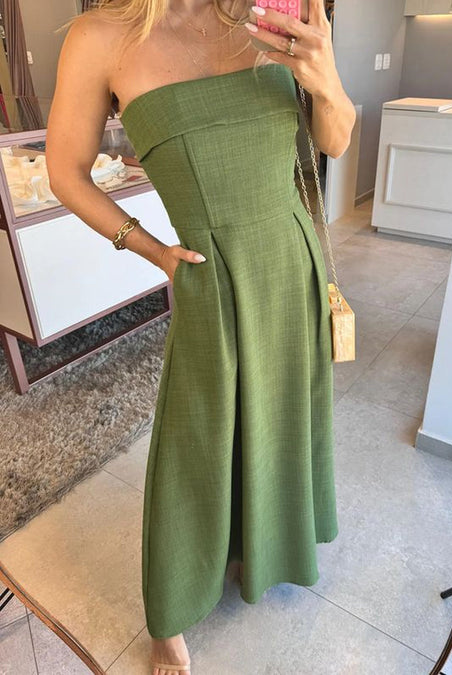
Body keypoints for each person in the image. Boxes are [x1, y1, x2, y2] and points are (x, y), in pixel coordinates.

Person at [47, 1, 356, 673]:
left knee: (279, 414)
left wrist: (327, 81)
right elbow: (64, 171)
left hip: (291, 259)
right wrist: (151, 249)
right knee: (195, 437)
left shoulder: (276, 10)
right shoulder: (100, 37)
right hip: (209, 273)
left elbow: (333, 141)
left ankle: (259, 548)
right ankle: (171, 608)